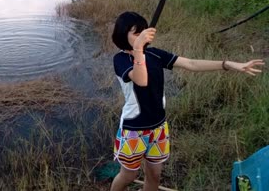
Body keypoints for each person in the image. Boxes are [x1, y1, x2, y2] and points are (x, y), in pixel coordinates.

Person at [110, 11, 264, 191]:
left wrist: (228, 64)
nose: (142, 36)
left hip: (158, 127)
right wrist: (138, 49)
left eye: (143, 32)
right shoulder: (120, 59)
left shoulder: (155, 55)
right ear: (122, 34)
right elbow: (141, 80)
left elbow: (191, 64)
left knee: (154, 175)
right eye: (136, 33)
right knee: (129, 175)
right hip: (133, 129)